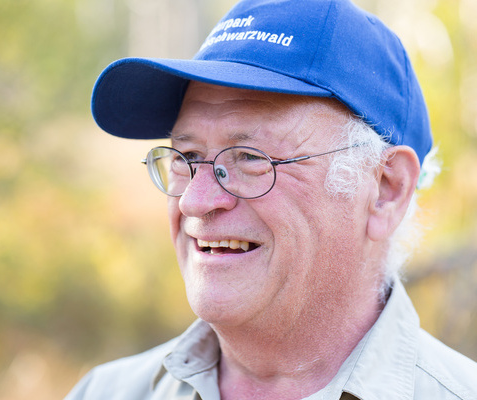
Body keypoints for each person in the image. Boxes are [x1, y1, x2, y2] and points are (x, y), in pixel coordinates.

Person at [65, 0, 477, 399]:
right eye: (187, 157)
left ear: (386, 190)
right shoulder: (104, 392)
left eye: (249, 158)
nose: (195, 201)